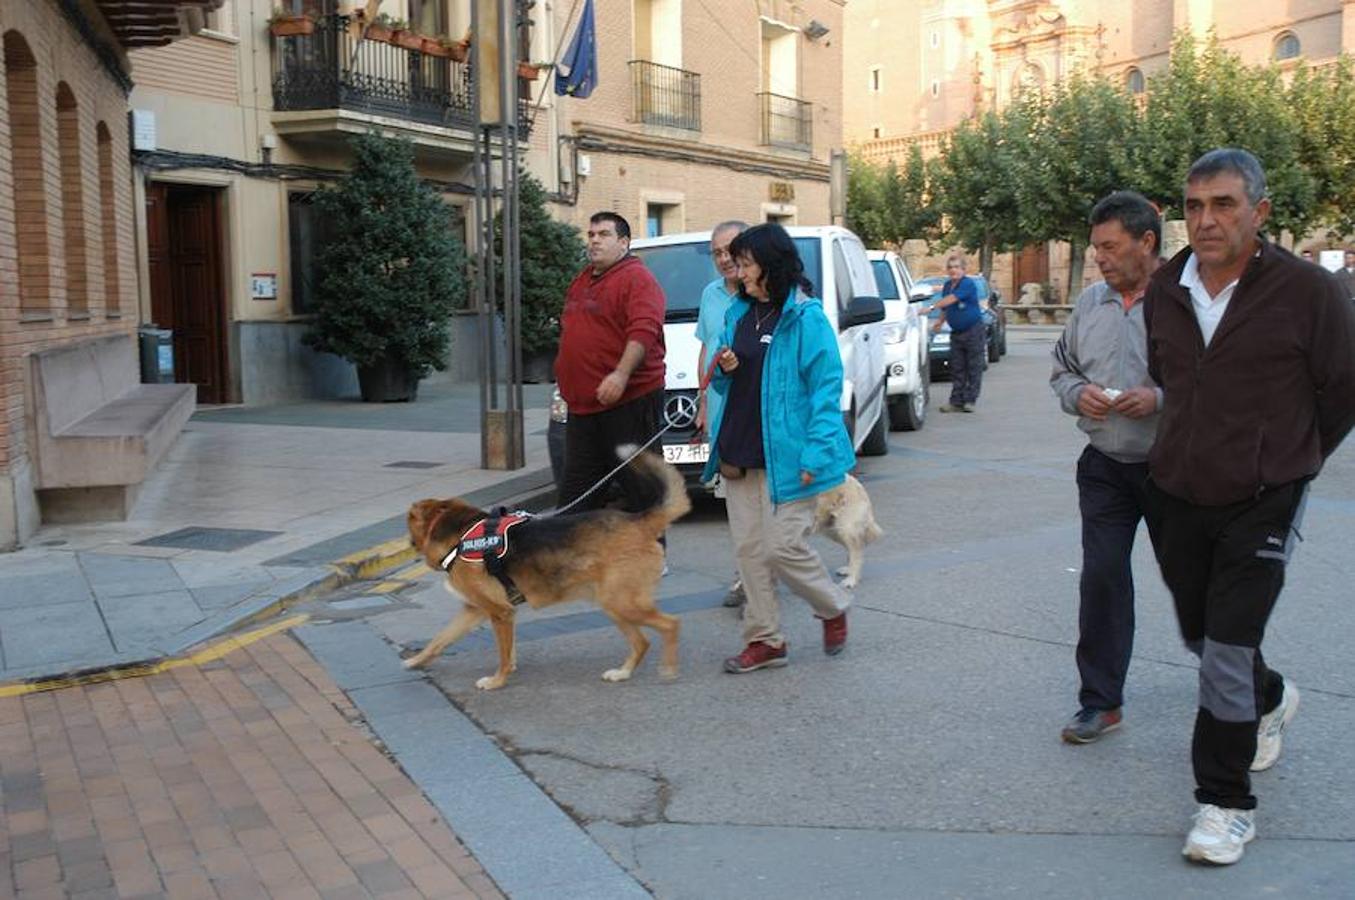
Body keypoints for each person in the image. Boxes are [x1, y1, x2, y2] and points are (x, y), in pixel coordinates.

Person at [1143, 149, 1355, 865]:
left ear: (1259, 213)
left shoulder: (1306, 292)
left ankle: (1223, 804)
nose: (1205, 220)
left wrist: (1288, 461)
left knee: (1224, 652)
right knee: (1204, 640)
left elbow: (1340, 391)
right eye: (1194, 206)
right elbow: (1165, 374)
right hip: (1176, 494)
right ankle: (1269, 697)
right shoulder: (1165, 289)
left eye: (1223, 204)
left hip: (1263, 498)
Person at [701, 223, 854, 673]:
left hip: (791, 456)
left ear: (770, 265)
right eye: (736, 261)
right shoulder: (738, 314)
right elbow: (730, 380)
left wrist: (817, 453)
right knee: (750, 553)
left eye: (746, 263)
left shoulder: (807, 319)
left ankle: (832, 606)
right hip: (739, 449)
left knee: (782, 546)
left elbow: (826, 391)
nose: (738, 270)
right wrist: (725, 368)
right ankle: (765, 640)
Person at [1050, 191, 1163, 744]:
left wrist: (1159, 399)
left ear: (1147, 242)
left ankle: (1253, 694)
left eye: (1111, 247)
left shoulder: (1184, 302)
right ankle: (1100, 702)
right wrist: (1080, 394)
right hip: (1104, 466)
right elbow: (1062, 368)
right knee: (1101, 580)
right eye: (1095, 248)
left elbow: (1217, 381)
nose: (1100, 258)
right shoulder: (1091, 303)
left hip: (1174, 468)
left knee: (1201, 590)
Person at [554, 212, 667, 515]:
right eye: (591, 234)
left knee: (643, 495)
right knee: (575, 500)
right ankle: (571, 561)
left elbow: (644, 330)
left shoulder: (637, 279)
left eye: (603, 235)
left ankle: (654, 561)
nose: (594, 241)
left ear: (624, 242)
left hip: (627, 404)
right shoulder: (582, 280)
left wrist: (620, 374)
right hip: (584, 411)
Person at [695, 220, 750, 608]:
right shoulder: (710, 295)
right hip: (719, 409)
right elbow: (705, 347)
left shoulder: (762, 294)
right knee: (734, 497)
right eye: (716, 252)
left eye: (729, 249)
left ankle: (758, 572)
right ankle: (745, 574)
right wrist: (701, 402)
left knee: (758, 497)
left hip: (753, 409)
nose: (723, 258)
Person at [930, 255, 985, 413]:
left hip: (973, 330)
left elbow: (952, 300)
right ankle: (956, 401)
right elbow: (946, 307)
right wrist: (940, 321)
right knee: (957, 367)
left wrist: (931, 308)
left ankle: (970, 400)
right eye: (951, 267)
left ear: (963, 269)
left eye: (956, 267)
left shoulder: (967, 284)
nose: (953, 270)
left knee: (973, 366)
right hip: (957, 332)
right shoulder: (948, 285)